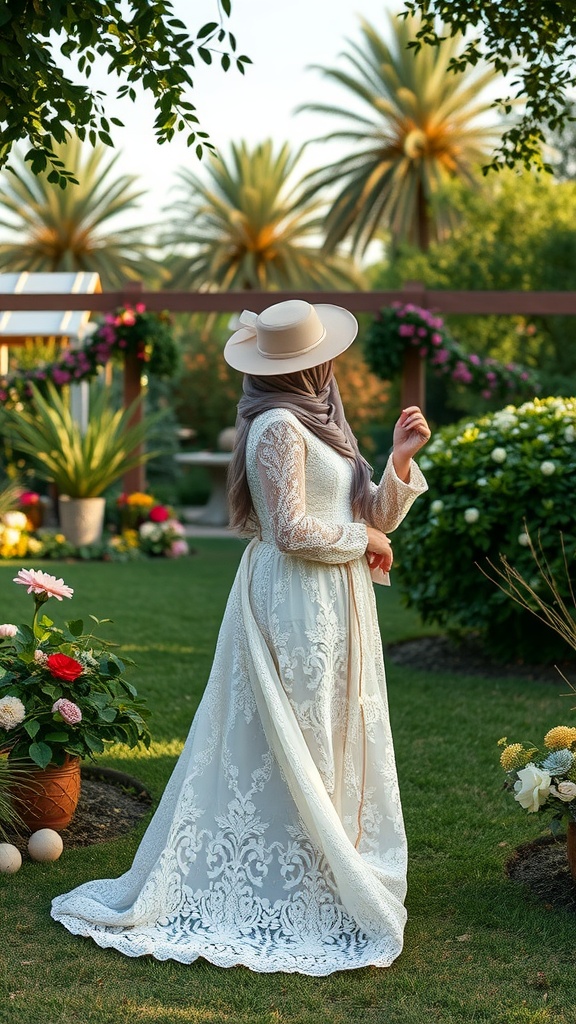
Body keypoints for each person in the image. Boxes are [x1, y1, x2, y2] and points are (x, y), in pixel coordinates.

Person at [52, 299, 430, 975]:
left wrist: (398, 465)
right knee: (298, 734)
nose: (329, 368)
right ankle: (295, 880)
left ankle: (329, 870)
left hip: (334, 601)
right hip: (295, 600)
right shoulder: (278, 426)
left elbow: (372, 515)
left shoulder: (327, 425)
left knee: (332, 731)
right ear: (307, 366)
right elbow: (288, 531)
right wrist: (364, 538)